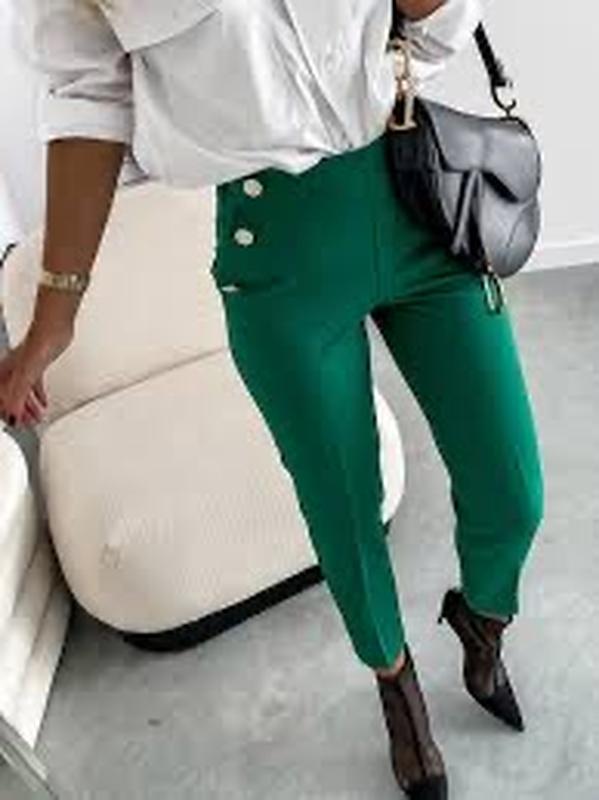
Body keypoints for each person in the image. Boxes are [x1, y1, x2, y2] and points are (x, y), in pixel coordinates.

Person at [4, 1, 544, 797]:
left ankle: (483, 620)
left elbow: (429, 31)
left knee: (512, 490)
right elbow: (88, 104)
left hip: (415, 195)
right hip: (277, 254)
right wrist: (53, 319)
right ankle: (394, 683)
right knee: (342, 506)